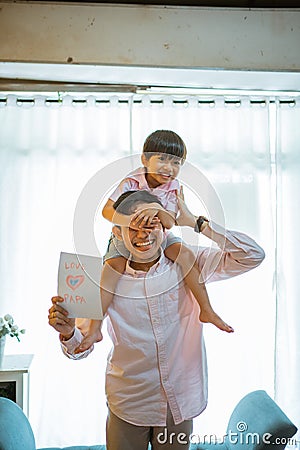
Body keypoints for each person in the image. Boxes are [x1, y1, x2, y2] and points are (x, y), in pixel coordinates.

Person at [49, 189, 265, 450]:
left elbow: (253, 255)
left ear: (164, 227)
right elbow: (78, 349)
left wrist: (198, 223)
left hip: (180, 402)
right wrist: (69, 332)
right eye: (133, 228)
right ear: (117, 233)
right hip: (128, 403)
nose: (143, 235)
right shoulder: (104, 278)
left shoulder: (189, 265)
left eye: (151, 224)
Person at [82, 130, 233, 353]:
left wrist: (155, 209)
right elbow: (106, 210)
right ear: (145, 159)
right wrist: (130, 221)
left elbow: (170, 223)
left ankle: (206, 308)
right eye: (161, 158)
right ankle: (95, 327)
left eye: (176, 162)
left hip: (159, 235)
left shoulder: (174, 188)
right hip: (128, 236)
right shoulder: (131, 181)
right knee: (110, 269)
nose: (168, 167)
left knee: (186, 255)